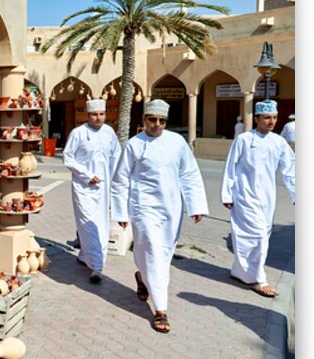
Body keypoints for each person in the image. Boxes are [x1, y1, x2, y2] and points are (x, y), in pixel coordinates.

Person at [111, 99, 208, 333]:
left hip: (171, 208)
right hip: (143, 207)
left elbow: (189, 174)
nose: (156, 124)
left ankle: (143, 278)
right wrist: (121, 211)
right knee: (153, 250)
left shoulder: (177, 142)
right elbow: (120, 179)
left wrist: (196, 205)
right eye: (152, 119)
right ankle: (161, 309)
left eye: (161, 121)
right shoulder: (135, 144)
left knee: (163, 254)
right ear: (144, 119)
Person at [221, 100, 295, 297]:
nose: (271, 122)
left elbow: (290, 169)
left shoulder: (278, 142)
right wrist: (227, 193)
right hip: (244, 194)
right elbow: (231, 166)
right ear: (256, 119)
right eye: (267, 118)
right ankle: (259, 279)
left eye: (274, 118)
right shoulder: (244, 139)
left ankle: (240, 272)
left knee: (259, 236)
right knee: (257, 236)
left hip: (268, 197)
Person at [63, 98, 120, 283]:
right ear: (88, 115)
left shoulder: (109, 132)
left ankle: (85, 256)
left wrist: (117, 182)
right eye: (94, 114)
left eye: (101, 114)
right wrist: (87, 175)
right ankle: (97, 265)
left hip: (103, 186)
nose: (98, 118)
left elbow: (116, 157)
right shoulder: (78, 133)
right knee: (87, 222)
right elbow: (68, 158)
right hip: (83, 186)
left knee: (101, 223)